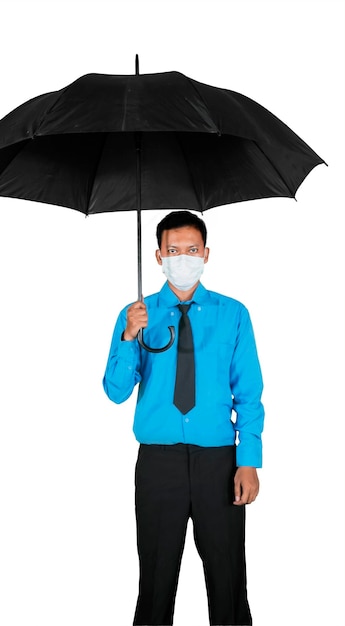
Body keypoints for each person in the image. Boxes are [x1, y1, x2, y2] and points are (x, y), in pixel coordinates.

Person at [103, 210, 264, 626]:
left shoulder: (234, 314)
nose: (183, 257)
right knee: (156, 580)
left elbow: (248, 393)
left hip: (219, 462)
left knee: (227, 577)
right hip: (159, 463)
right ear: (158, 256)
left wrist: (248, 459)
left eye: (191, 249)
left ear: (206, 253)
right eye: (173, 250)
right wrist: (128, 335)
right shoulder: (137, 314)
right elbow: (116, 391)